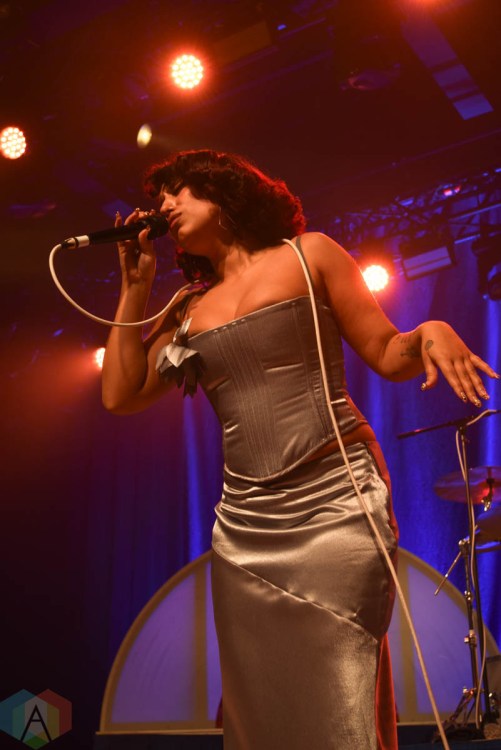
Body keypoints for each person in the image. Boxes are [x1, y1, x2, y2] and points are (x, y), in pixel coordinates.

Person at [101, 150, 498, 750]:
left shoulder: (309, 253)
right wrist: (134, 288)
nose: (165, 206)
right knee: (261, 699)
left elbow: (386, 351)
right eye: (160, 198)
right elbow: (120, 394)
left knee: (339, 679)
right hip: (247, 528)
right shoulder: (187, 307)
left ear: (225, 191)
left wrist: (431, 332)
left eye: (179, 190)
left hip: (336, 499)